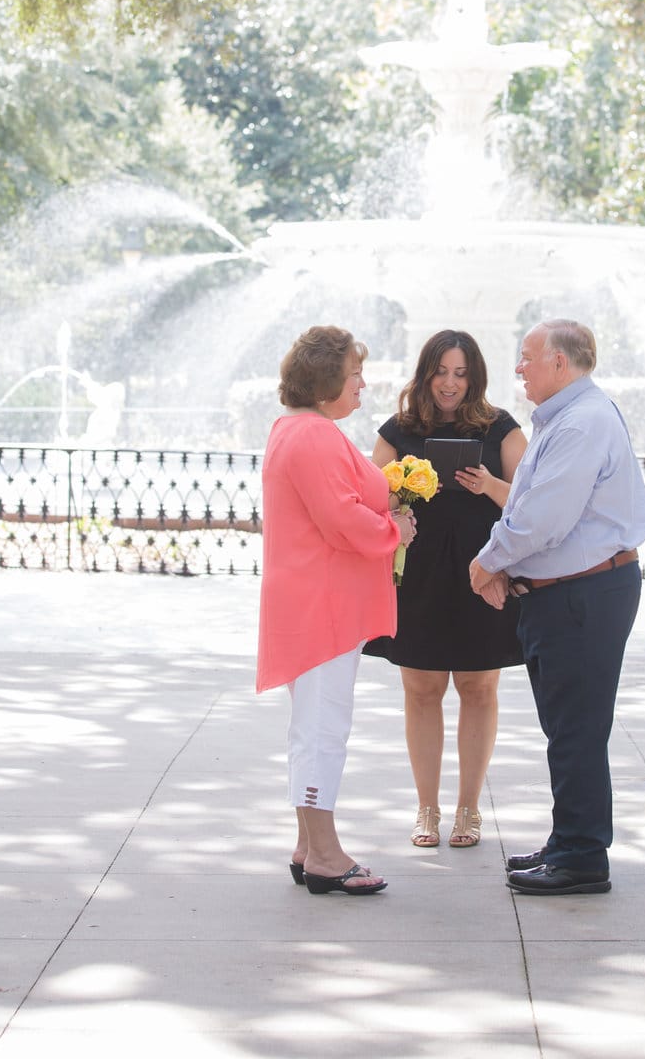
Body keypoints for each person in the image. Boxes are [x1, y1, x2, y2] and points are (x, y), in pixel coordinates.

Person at [469, 318, 645, 896]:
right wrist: (508, 565)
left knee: (575, 729)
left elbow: (544, 516)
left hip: (584, 594)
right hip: (570, 594)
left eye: (526, 357)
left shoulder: (580, 422)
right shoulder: (567, 418)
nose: (517, 367)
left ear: (560, 364)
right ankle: (570, 839)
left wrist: (489, 561)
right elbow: (534, 505)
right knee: (568, 727)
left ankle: (581, 855)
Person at [256, 325, 416, 897]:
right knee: (324, 729)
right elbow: (341, 519)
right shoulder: (316, 437)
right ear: (326, 384)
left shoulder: (293, 430)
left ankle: (308, 844)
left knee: (312, 727)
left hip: (307, 601)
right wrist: (393, 530)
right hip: (321, 606)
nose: (362, 385)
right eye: (353, 375)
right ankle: (324, 852)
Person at [364, 329, 527, 849]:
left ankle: (469, 809)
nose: (449, 384)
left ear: (474, 377)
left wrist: (488, 484)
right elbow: (368, 499)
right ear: (425, 373)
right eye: (440, 372)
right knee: (421, 690)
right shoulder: (398, 430)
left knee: (479, 689)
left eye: (460, 374)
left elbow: (530, 505)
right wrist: (397, 495)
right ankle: (427, 809)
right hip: (419, 577)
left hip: (483, 574)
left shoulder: (502, 428)